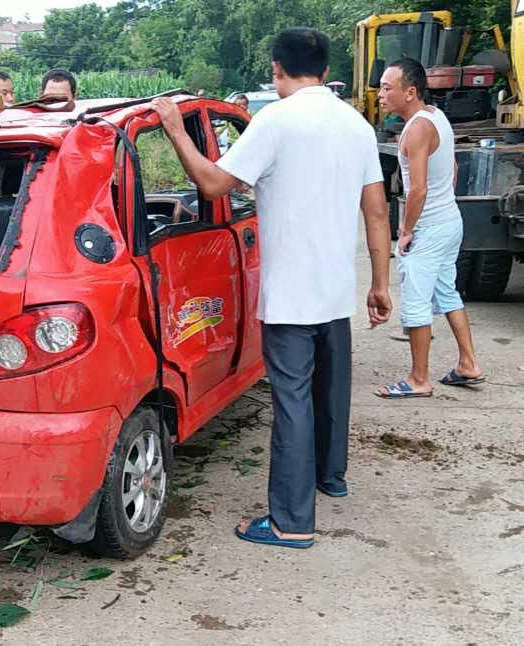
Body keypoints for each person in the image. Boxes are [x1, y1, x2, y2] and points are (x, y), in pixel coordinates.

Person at [154, 27, 393, 549]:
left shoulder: (275, 122)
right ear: (326, 71)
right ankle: (330, 477)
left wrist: (175, 130)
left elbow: (216, 185)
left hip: (290, 294)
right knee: (330, 392)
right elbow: (376, 211)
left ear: (276, 68)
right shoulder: (354, 124)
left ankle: (291, 522)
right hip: (334, 289)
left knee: (293, 403)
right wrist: (379, 283)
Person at [375, 58, 483, 399]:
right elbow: (450, 168)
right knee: (447, 292)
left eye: (387, 88)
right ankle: (468, 363)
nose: (380, 94)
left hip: (431, 227)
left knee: (417, 303)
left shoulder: (417, 128)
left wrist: (406, 230)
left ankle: (418, 378)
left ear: (410, 92)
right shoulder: (437, 117)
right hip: (449, 220)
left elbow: (417, 190)